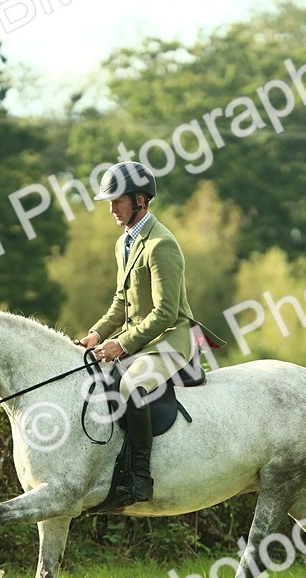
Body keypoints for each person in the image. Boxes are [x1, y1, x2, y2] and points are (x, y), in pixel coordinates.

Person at [77, 161, 223, 507]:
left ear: (140, 201)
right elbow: (120, 301)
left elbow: (165, 313)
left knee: (130, 385)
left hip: (171, 339)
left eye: (117, 201)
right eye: (110, 203)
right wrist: (97, 334)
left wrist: (122, 343)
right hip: (141, 338)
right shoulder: (124, 243)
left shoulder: (161, 245)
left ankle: (141, 476)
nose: (111, 209)